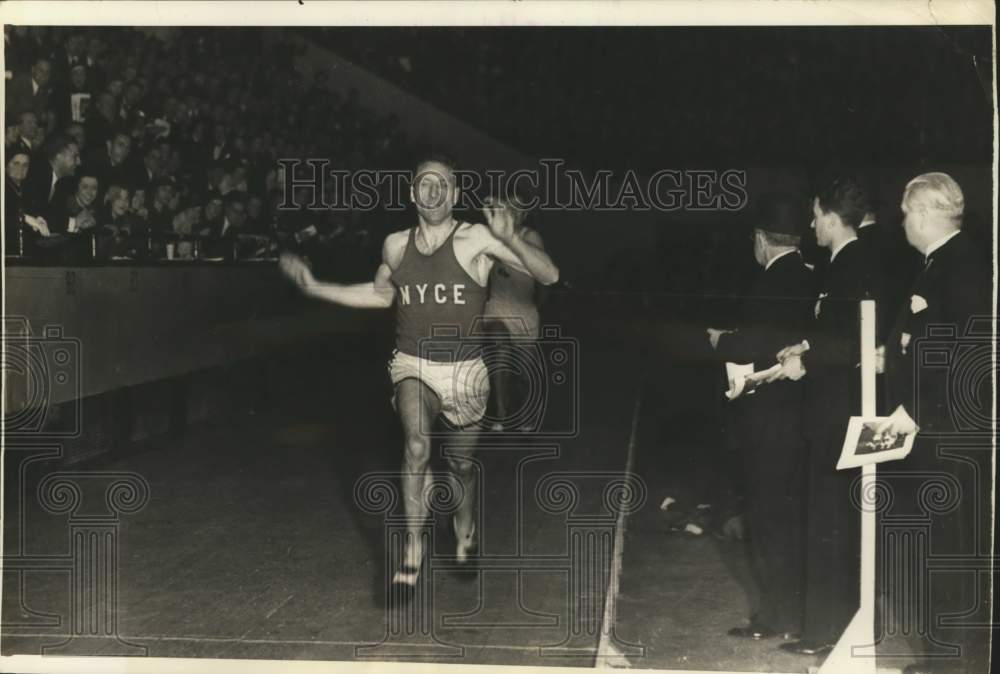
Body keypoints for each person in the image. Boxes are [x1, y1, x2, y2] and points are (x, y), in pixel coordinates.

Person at [279, 156, 559, 602]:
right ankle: (412, 549)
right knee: (416, 446)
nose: (433, 192)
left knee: (461, 467)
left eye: (443, 185)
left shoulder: (476, 238)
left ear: (453, 195)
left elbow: (550, 274)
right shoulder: (395, 245)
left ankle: (464, 527)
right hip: (413, 363)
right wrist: (315, 287)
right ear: (412, 193)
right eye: (425, 185)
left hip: (466, 370)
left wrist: (510, 239)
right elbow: (379, 294)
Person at [876, 173, 991, 674]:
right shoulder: (940, 263)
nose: (903, 223)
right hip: (938, 433)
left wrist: (915, 411)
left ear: (922, 213)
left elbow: (963, 351)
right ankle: (944, 660)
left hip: (949, 435)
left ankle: (954, 666)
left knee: (952, 556)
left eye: (905, 214)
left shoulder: (960, 263)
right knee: (942, 552)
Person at [770, 176, 880, 657]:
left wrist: (805, 361)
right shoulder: (847, 263)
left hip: (835, 411)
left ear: (833, 220)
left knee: (829, 519)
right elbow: (839, 330)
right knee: (832, 517)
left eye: (816, 216)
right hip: (836, 406)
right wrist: (808, 344)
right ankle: (828, 625)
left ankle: (825, 632)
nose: (811, 224)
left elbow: (848, 341)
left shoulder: (849, 266)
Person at [710, 193, 815, 642]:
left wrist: (720, 341)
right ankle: (793, 611)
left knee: (766, 519)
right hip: (800, 415)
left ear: (760, 239)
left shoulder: (769, 282)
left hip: (768, 420)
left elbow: (751, 343)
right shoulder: (810, 276)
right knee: (788, 517)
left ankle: (774, 617)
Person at [481, 188, 547, 431]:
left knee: (524, 372)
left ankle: (527, 411)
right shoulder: (490, 235)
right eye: (510, 206)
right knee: (500, 347)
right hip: (496, 308)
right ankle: (500, 410)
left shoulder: (531, 238)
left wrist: (537, 306)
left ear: (525, 212)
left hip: (525, 311)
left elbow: (544, 280)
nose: (514, 212)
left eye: (519, 208)